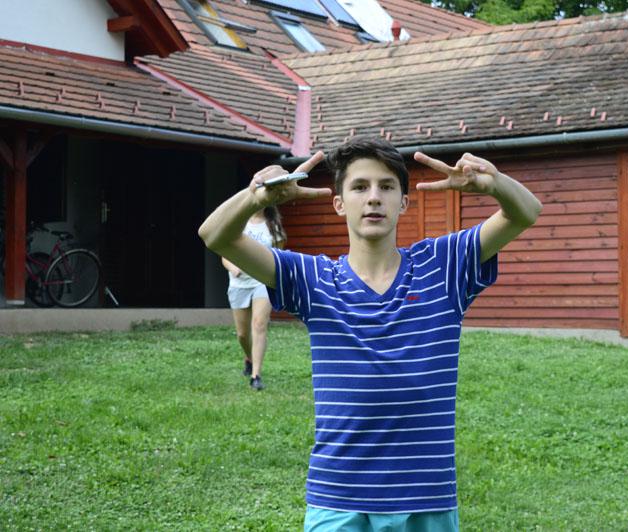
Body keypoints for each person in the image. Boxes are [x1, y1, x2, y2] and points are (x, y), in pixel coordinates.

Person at [198, 137, 542, 531]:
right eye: (360, 187)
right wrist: (255, 198)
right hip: (338, 499)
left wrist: (495, 184)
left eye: (386, 187)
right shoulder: (313, 279)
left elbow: (525, 213)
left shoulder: (444, 265)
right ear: (339, 203)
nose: (374, 197)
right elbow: (215, 236)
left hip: (425, 499)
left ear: (403, 202)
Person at [220, 206, 286, 391]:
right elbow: (225, 254)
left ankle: (256, 376)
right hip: (239, 284)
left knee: (259, 324)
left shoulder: (273, 226)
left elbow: (278, 256)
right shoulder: (239, 223)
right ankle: (249, 358)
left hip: (262, 282)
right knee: (242, 334)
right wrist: (233, 268)